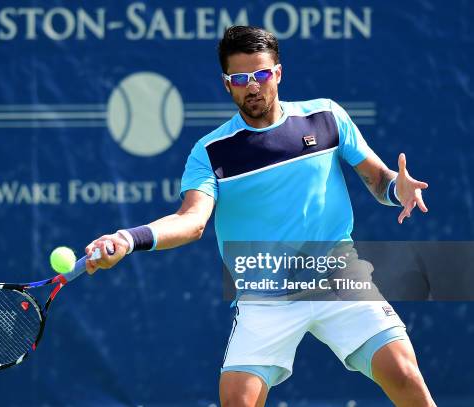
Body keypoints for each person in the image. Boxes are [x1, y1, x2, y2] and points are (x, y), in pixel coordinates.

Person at [85, 26, 434, 407]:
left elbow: (378, 178)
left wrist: (397, 189)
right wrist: (129, 238)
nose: (252, 87)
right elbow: (191, 220)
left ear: (278, 74)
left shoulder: (326, 117)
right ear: (227, 84)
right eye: (240, 79)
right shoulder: (211, 152)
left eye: (261, 75)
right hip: (262, 288)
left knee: (402, 372)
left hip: (336, 272)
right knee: (238, 402)